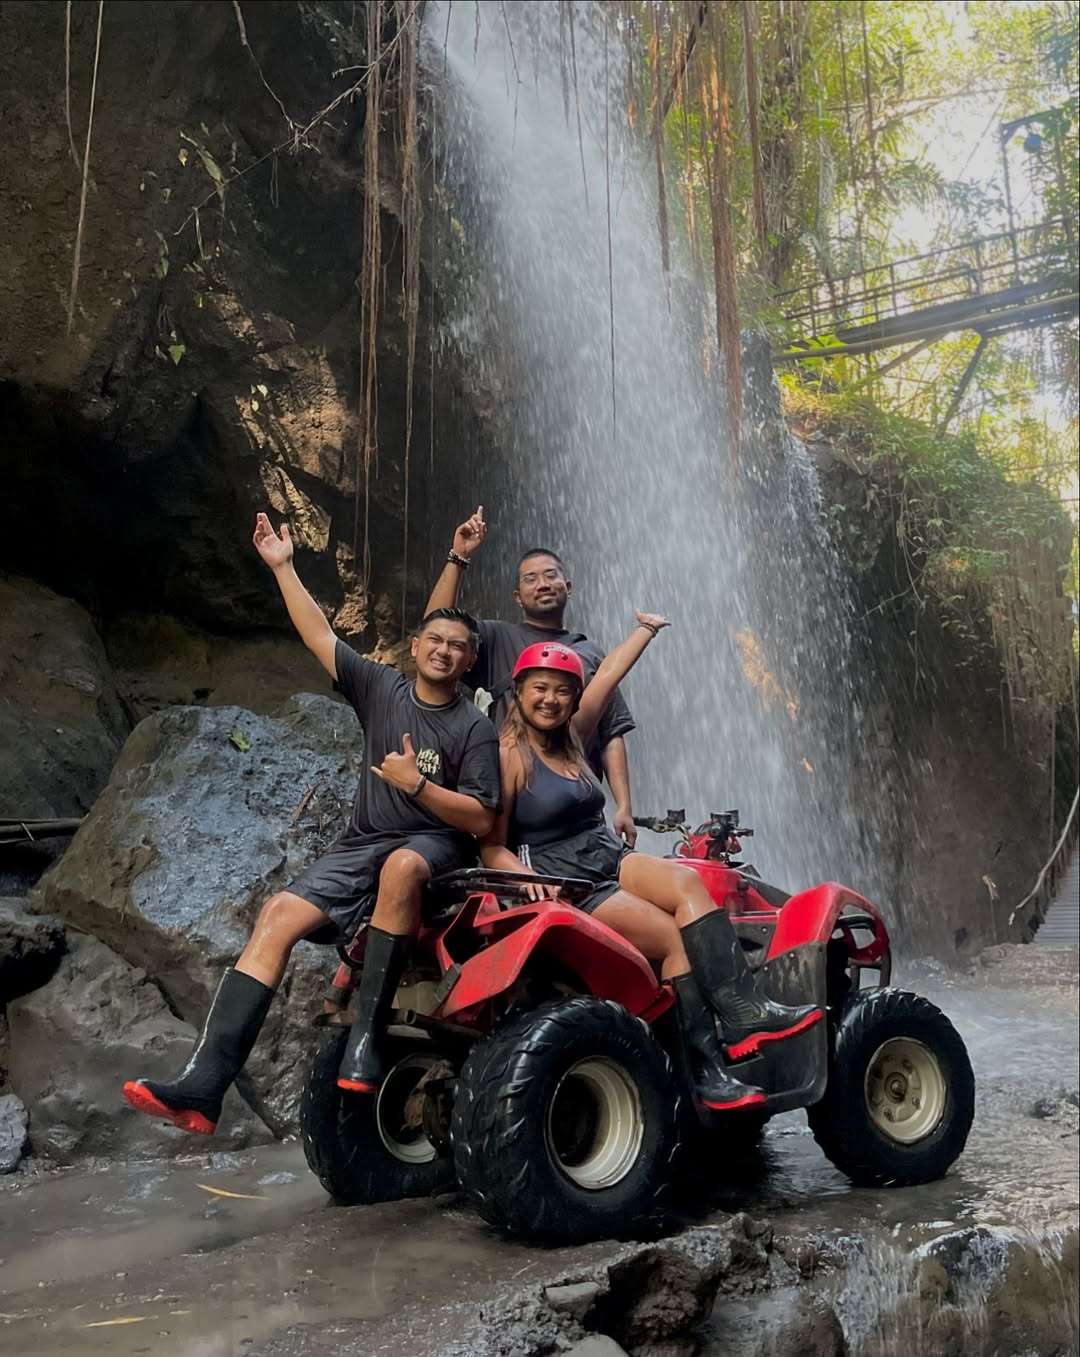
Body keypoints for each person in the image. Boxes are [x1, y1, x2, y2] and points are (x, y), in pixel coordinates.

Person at [122, 514, 500, 1135]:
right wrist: (282, 568)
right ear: (415, 647)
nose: (444, 650)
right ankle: (205, 1086)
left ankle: (367, 1042)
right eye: (435, 639)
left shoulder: (474, 728)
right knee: (276, 915)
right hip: (362, 844)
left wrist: (418, 785)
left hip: (433, 848)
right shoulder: (381, 688)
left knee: (404, 865)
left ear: (469, 661)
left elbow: (482, 817)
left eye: (458, 646)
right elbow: (319, 634)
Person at [480, 621, 820, 1112]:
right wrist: (526, 877)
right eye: (540, 689)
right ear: (518, 692)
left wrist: (645, 631)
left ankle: (745, 1011)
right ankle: (704, 1070)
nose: (550, 700)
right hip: (568, 880)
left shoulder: (573, 737)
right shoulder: (508, 755)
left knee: (687, 880)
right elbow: (491, 845)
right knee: (670, 939)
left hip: (605, 855)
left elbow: (607, 677)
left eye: (561, 691)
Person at [424, 507, 639, 848]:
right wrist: (459, 557)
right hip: (511, 802)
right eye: (530, 579)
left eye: (551, 576)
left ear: (568, 586)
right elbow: (436, 628)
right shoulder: (496, 639)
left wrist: (624, 805)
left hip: (574, 808)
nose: (542, 585)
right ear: (517, 597)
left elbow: (612, 733)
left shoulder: (592, 653)